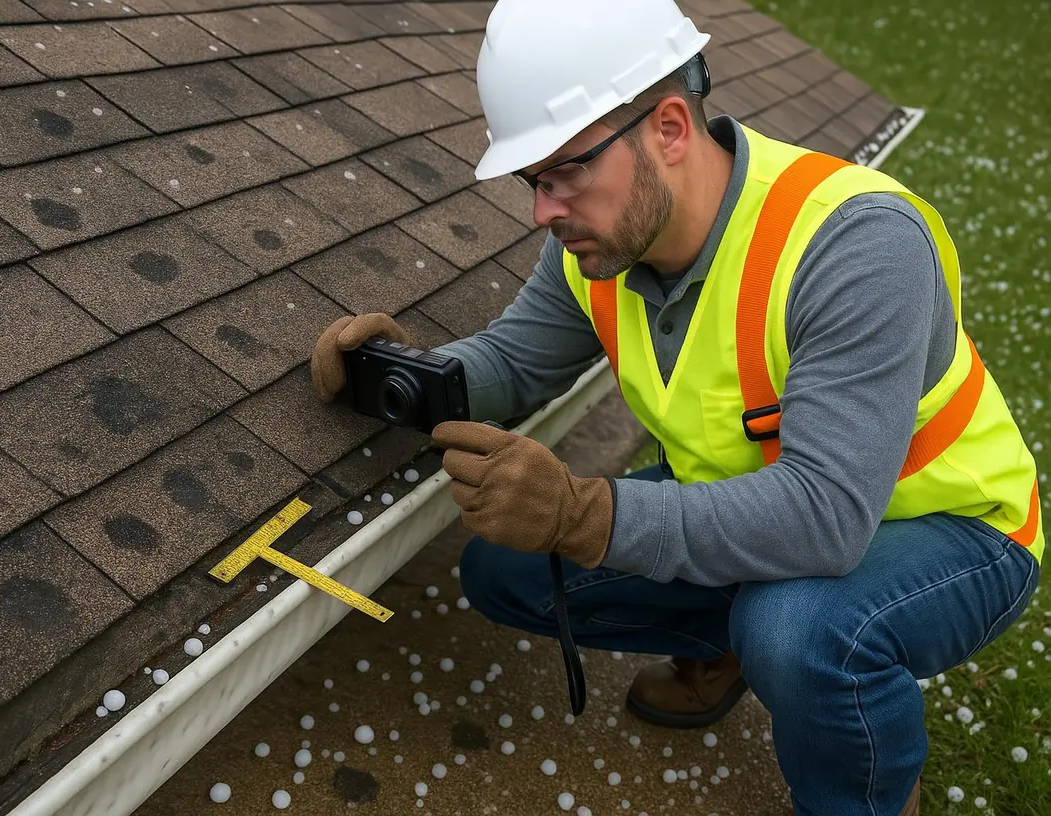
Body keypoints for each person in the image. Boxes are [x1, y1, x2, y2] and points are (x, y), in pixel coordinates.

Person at [309, 1, 1043, 813]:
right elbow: (516, 360)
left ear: (667, 128)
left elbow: (827, 517)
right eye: (533, 181)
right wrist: (410, 373)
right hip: (763, 508)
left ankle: (861, 796)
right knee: (507, 571)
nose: (542, 211)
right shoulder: (600, 242)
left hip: (950, 527)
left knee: (795, 629)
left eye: (565, 172)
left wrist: (586, 515)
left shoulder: (857, 244)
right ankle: (733, 647)